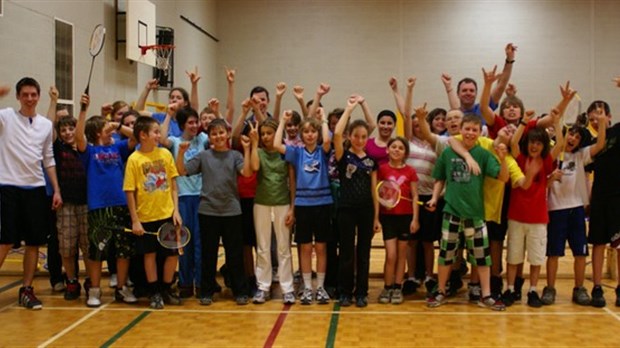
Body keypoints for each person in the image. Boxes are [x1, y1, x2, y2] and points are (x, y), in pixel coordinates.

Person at [427, 114, 509, 311]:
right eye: (467, 129)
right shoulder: (448, 153)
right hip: (451, 212)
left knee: (481, 257)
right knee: (446, 255)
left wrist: (503, 159)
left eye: (474, 129)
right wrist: (434, 197)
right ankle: (440, 291)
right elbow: (439, 179)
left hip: (475, 215)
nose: (470, 133)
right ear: (461, 130)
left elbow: (504, 178)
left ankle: (486, 295)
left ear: (479, 132)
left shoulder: (484, 154)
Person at [0, 77, 62, 310]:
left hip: (36, 189)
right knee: (5, 241)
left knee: (34, 243)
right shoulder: (6, 117)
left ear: (38, 96)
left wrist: (56, 189)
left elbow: (48, 158)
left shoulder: (46, 125)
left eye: (33, 94)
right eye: (25, 94)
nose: (29, 98)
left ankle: (26, 290)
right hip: (8, 187)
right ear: (18, 96)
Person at [176, 118, 253, 305]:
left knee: (234, 254)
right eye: (214, 133)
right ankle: (206, 291)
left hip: (232, 211)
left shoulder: (235, 155)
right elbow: (181, 170)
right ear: (209, 137)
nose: (218, 136)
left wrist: (248, 149)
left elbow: (248, 173)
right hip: (208, 211)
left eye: (221, 133)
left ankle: (240, 291)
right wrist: (181, 153)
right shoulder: (203, 156)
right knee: (208, 254)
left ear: (227, 134)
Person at [76, 94, 137, 307]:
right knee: (96, 251)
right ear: (96, 132)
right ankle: (94, 290)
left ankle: (121, 288)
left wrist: (117, 125)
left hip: (120, 205)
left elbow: (136, 136)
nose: (109, 128)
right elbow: (78, 137)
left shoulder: (117, 147)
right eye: (105, 126)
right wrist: (84, 110)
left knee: (123, 250)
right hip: (98, 207)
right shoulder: (89, 151)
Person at [543, 111, 607, 306]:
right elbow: (542, 185)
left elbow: (600, 144)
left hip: (577, 209)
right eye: (571, 134)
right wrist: (551, 178)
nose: (573, 138)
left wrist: (602, 123)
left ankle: (579, 288)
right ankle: (550, 288)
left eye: (578, 137)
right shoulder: (552, 155)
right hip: (556, 210)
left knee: (580, 252)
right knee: (553, 252)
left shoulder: (581, 156)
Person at [504, 107, 565, 308]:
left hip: (538, 219)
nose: (535, 146)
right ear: (527, 143)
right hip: (516, 216)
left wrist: (556, 121)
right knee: (513, 256)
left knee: (536, 258)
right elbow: (513, 142)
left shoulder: (546, 162)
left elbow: (561, 145)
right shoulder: (519, 159)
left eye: (539, 143)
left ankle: (532, 290)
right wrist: (524, 121)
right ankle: (510, 289)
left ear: (543, 145)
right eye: (532, 142)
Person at [273, 109, 333, 305]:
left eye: (313, 131)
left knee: (322, 247)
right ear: (301, 134)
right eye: (305, 132)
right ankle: (307, 287)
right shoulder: (297, 153)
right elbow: (275, 144)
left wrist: (323, 119)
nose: (309, 135)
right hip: (303, 205)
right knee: (305, 247)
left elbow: (327, 140)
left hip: (323, 204)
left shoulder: (322, 152)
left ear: (317, 133)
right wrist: (282, 121)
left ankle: (321, 287)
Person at [124, 116, 182, 309]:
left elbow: (174, 185)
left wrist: (176, 211)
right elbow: (130, 192)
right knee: (149, 255)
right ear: (143, 135)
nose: (159, 135)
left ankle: (166, 289)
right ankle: (154, 292)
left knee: (172, 255)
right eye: (155, 132)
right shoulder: (134, 159)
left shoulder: (165, 154)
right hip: (146, 217)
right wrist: (135, 221)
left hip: (167, 214)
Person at [332, 96, 378, 308]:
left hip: (366, 211)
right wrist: (349, 109)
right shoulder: (343, 156)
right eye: (356, 136)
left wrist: (376, 217)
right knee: (347, 252)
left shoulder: (371, 161)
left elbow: (373, 191)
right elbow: (337, 133)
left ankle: (362, 292)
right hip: (346, 210)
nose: (360, 140)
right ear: (350, 136)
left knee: (364, 252)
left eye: (363, 136)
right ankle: (345, 292)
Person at [159, 104, 208, 298]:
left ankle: (201, 282)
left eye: (196, 122)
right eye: (190, 123)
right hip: (182, 198)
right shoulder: (174, 141)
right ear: (182, 125)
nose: (195, 125)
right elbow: (161, 139)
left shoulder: (203, 139)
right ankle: (186, 282)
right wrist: (169, 115)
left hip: (202, 196)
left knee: (200, 243)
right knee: (184, 242)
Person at [47, 86, 91, 300]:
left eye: (71, 129)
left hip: (86, 203)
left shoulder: (85, 148)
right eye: (63, 130)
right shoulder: (57, 149)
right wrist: (54, 101)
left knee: (88, 245)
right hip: (65, 203)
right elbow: (48, 129)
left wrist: (84, 108)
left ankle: (91, 281)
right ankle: (72, 281)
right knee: (66, 245)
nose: (67, 133)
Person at [249, 118, 296, 304]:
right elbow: (254, 167)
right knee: (263, 246)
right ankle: (263, 286)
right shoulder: (259, 152)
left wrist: (293, 208)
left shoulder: (286, 153)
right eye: (263, 134)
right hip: (261, 203)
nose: (266, 137)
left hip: (282, 203)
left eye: (270, 133)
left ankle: (287, 288)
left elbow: (292, 182)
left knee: (284, 247)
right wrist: (253, 144)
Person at [586, 78, 620, 307]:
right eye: (593, 115)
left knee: (619, 244)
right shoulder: (588, 141)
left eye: (601, 113)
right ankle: (597, 287)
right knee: (597, 243)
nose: (598, 117)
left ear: (609, 116)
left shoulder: (618, 131)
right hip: (598, 197)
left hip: (618, 197)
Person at [375, 136, 419, 305]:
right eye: (393, 147)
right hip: (388, 218)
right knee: (390, 255)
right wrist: (377, 218)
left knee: (401, 255)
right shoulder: (382, 169)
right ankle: (387, 287)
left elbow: (415, 196)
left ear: (405, 153)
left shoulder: (411, 172)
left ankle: (397, 287)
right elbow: (378, 195)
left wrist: (415, 219)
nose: (396, 150)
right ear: (387, 150)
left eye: (400, 148)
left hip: (405, 218)